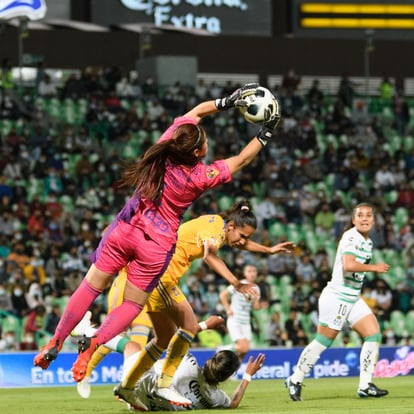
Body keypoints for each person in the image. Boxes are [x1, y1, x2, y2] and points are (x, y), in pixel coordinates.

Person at [33, 84, 281, 378]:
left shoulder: (163, 148)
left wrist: (227, 101)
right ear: (199, 151)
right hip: (155, 245)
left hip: (126, 226)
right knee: (131, 304)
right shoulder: (201, 176)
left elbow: (197, 112)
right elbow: (241, 159)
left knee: (89, 287)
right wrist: (268, 129)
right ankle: (94, 344)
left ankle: (56, 340)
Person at [113, 200, 294, 410]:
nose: (243, 241)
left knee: (163, 338)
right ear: (231, 227)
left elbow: (242, 243)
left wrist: (269, 250)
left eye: (248, 238)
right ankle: (163, 384)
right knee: (188, 327)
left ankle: (127, 386)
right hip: (161, 273)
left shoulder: (222, 228)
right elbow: (209, 256)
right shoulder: (214, 230)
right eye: (243, 236)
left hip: (158, 273)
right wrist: (236, 283)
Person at [285, 203, 390, 401]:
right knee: (323, 341)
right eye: (360, 215)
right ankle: (295, 379)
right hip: (337, 297)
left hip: (352, 297)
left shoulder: (368, 242)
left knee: (374, 334)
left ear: (374, 220)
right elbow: (349, 265)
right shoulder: (351, 236)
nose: (365, 218)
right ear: (353, 220)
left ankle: (366, 385)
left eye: (369, 215)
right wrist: (375, 268)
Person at [132, 351, 265, 411]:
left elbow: (161, 362)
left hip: (138, 391)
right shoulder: (217, 398)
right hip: (145, 407)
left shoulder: (189, 361)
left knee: (132, 347)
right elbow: (234, 403)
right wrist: (248, 375)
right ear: (229, 375)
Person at [219, 263, 261, 361]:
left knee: (244, 351)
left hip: (246, 322)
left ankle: (234, 372)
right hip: (235, 319)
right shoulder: (239, 284)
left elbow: (255, 306)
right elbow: (223, 295)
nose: (252, 274)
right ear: (245, 274)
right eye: (249, 271)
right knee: (243, 347)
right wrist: (228, 309)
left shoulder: (256, 288)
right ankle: (223, 349)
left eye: (254, 271)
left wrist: (261, 305)